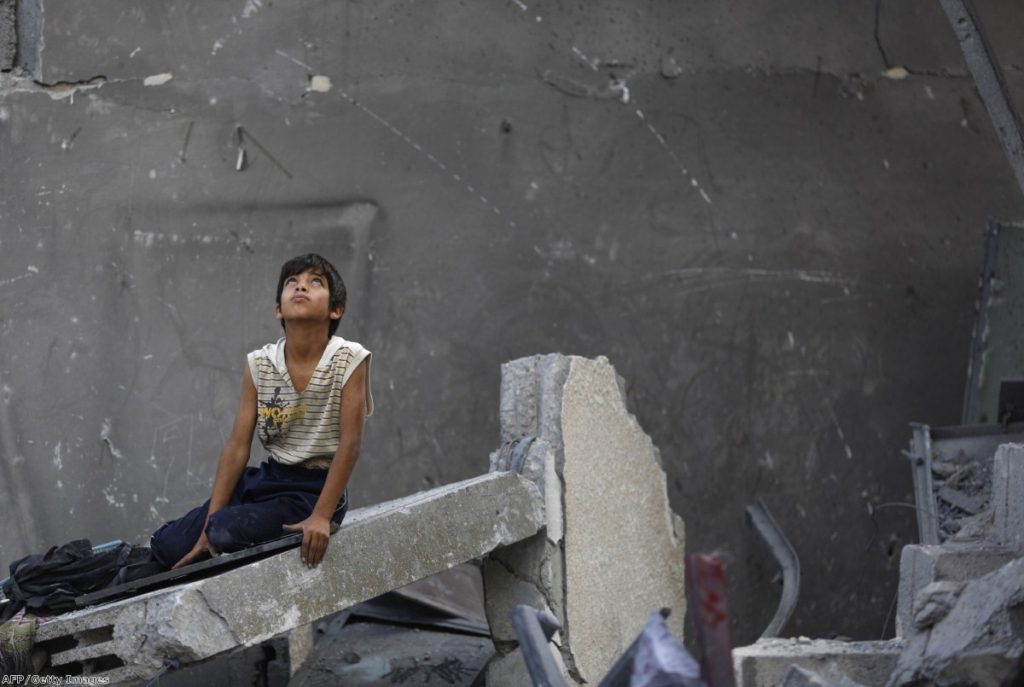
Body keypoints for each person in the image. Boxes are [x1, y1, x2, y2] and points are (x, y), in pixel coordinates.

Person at [149, 253, 373, 570]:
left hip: (313, 491)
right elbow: (238, 446)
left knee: (224, 532)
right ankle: (202, 532)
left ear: (335, 309)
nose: (301, 287)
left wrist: (321, 516)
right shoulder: (260, 363)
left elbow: (350, 443)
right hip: (268, 479)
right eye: (291, 282)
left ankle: (224, 527)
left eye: (315, 282)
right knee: (169, 544)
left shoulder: (349, 358)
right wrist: (205, 526)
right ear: (278, 309)